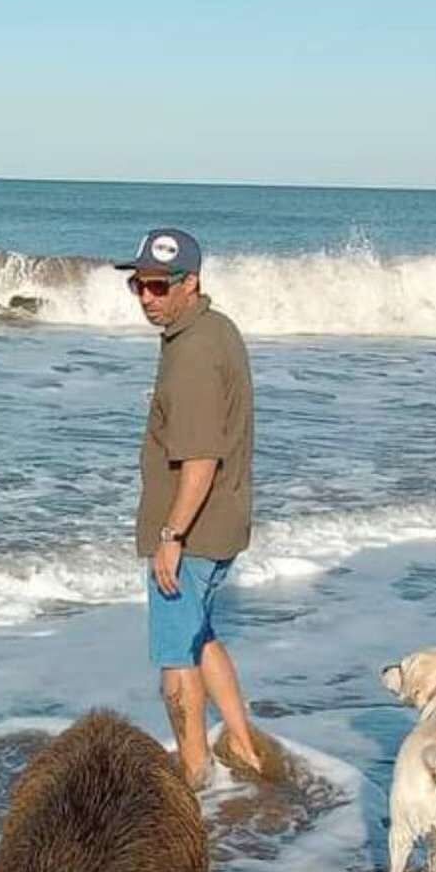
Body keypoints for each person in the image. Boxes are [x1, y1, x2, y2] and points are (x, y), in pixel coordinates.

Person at [115, 228, 263, 789]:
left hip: (191, 532)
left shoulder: (193, 354)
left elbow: (201, 458)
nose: (147, 297)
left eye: (157, 286)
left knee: (176, 661)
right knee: (201, 636)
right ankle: (245, 749)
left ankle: (194, 776)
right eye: (138, 285)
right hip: (222, 523)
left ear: (189, 282)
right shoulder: (214, 330)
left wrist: (170, 536)